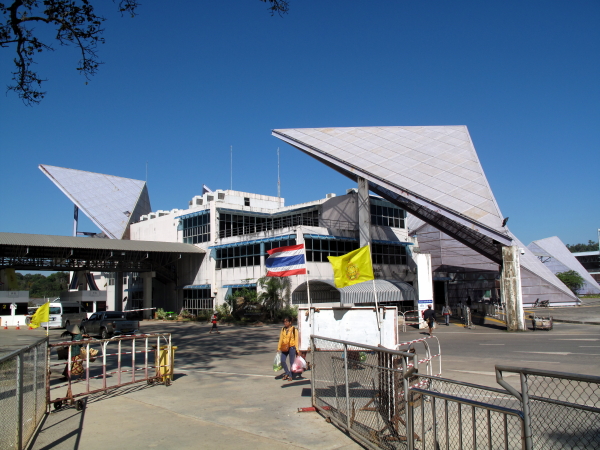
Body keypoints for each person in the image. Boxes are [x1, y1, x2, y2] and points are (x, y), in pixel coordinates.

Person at [277, 316, 298, 381]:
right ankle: (287, 372)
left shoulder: (294, 330)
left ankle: (291, 376)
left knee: (291, 362)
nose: (285, 323)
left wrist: (297, 350)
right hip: (284, 347)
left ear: (290, 322)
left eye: (286, 322)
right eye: (284, 322)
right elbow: (281, 339)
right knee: (282, 360)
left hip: (292, 348)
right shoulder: (283, 329)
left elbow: (296, 340)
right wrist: (278, 348)